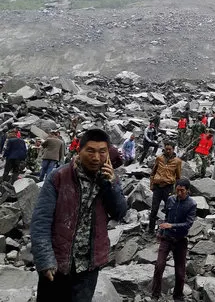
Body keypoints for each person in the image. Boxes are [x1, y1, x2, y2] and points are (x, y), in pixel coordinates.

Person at [31, 128, 127, 301]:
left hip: (88, 267)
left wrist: (111, 184)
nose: (96, 157)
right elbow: (41, 221)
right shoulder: (58, 177)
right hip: (57, 263)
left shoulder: (109, 178)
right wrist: (45, 259)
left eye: (102, 152)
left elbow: (119, 213)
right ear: (79, 150)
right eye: (90, 151)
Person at [150, 178, 196, 302]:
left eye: (182, 191)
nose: (179, 193)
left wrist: (172, 226)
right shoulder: (170, 200)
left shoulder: (191, 204)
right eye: (177, 191)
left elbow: (188, 224)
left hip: (180, 240)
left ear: (188, 190)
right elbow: (166, 217)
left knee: (180, 272)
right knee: (159, 266)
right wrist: (160, 231)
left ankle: (178, 296)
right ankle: (155, 295)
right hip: (167, 238)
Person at [149, 143, 182, 234]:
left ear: (173, 149)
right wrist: (151, 185)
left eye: (169, 149)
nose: (167, 151)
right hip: (157, 187)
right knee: (154, 209)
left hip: (168, 187)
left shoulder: (177, 161)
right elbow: (153, 172)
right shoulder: (159, 158)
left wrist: (177, 190)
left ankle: (167, 230)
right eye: (166, 149)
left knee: (169, 209)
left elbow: (178, 177)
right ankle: (150, 230)